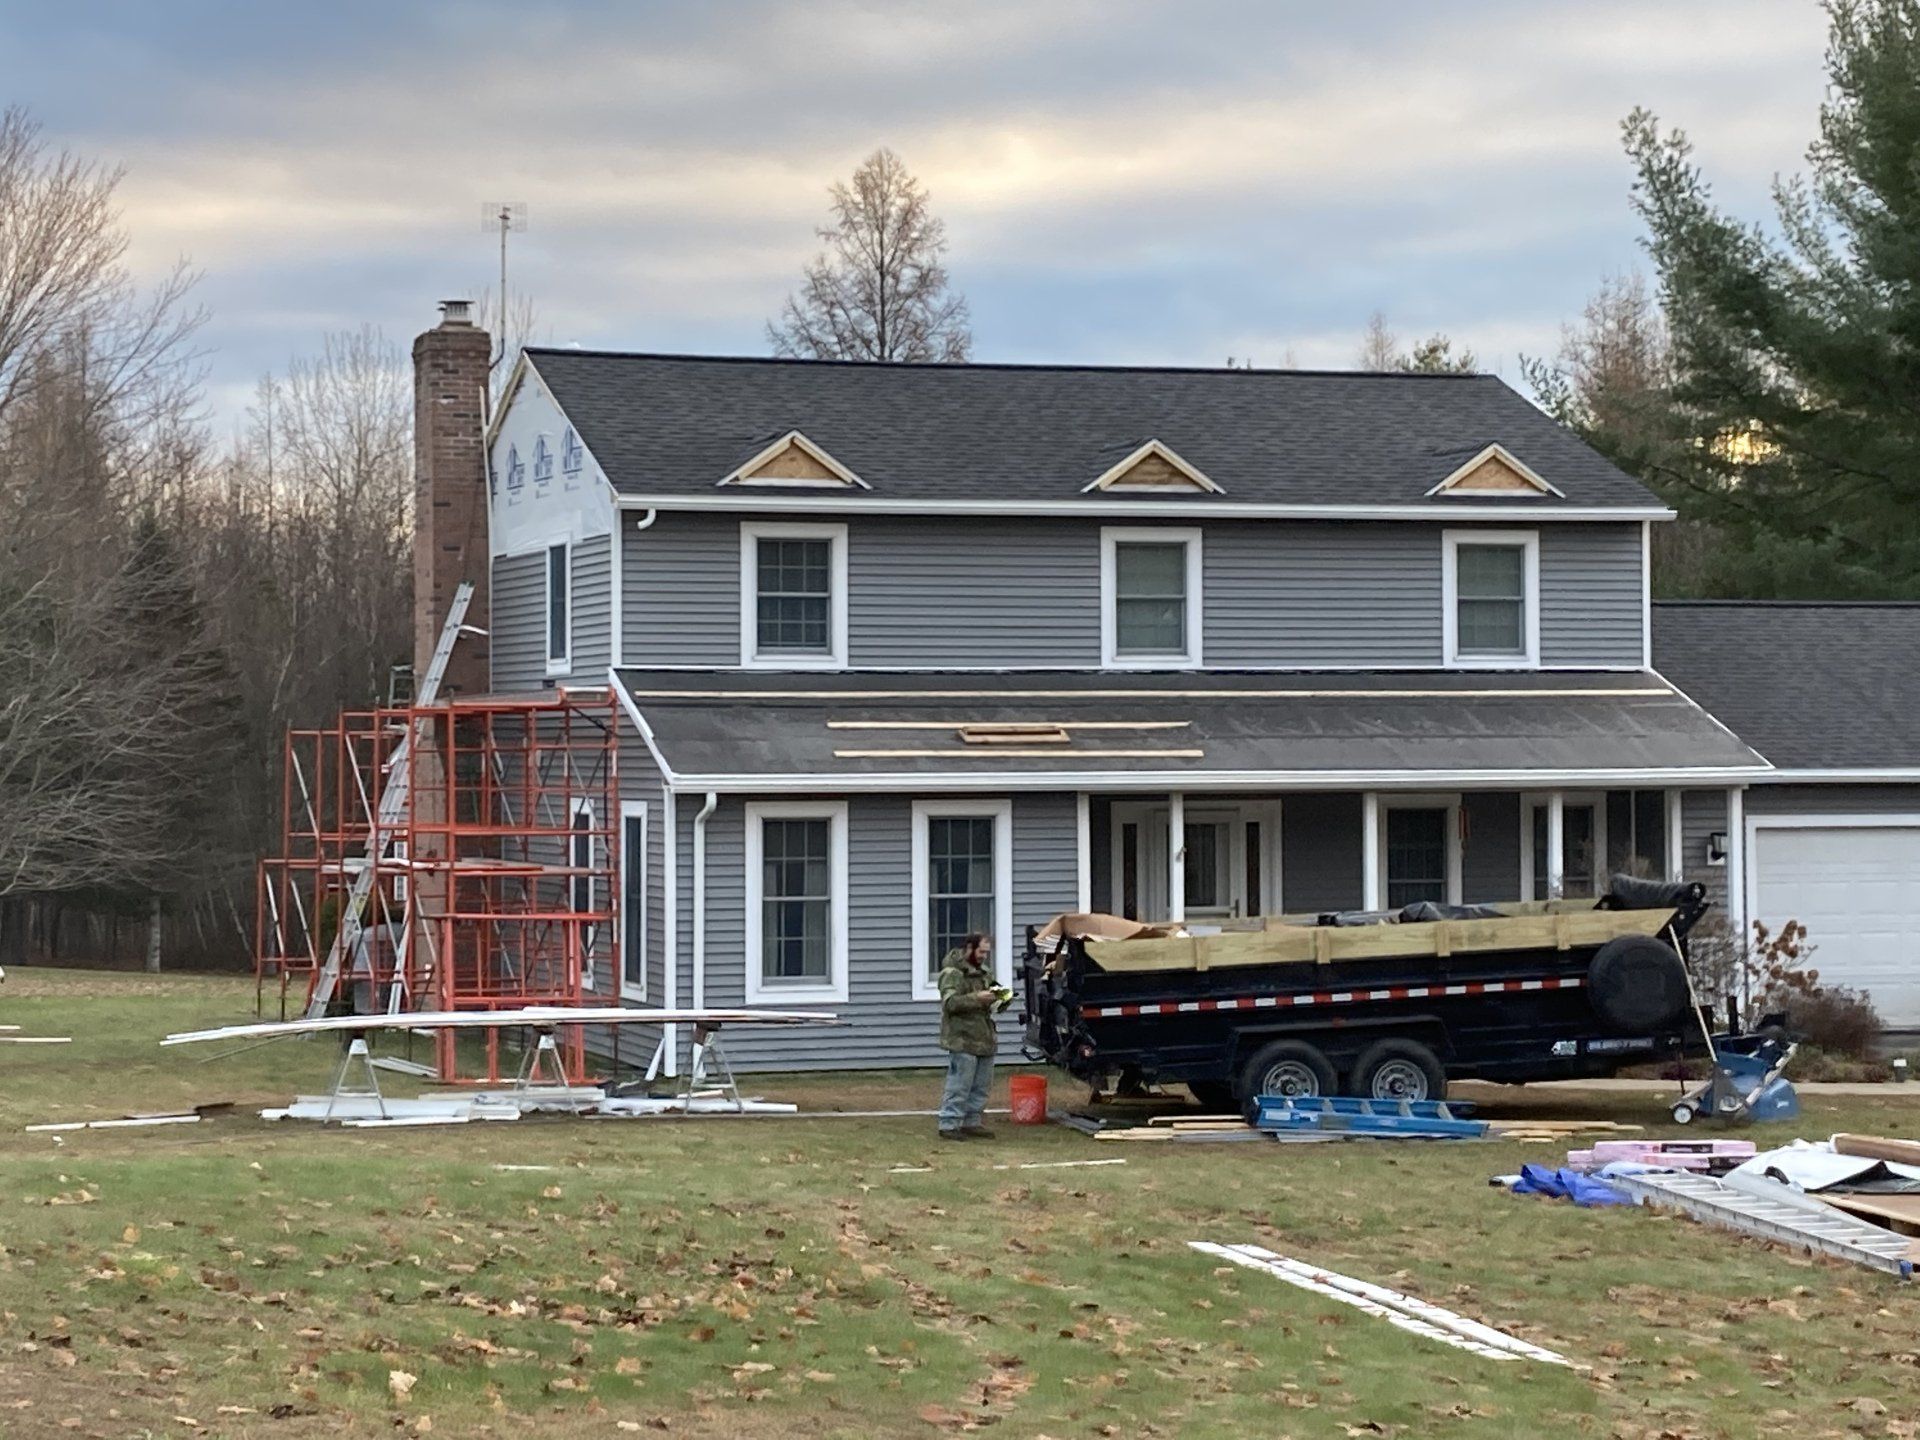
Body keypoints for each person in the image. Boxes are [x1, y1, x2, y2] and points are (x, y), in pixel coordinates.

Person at [936, 933, 1004, 1140]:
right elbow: (950, 1003)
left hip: (984, 1036)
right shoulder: (952, 973)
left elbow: (993, 999)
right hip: (962, 1038)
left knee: (981, 1086)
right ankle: (949, 1124)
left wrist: (1001, 999)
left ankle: (972, 1122)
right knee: (959, 1085)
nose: (984, 956)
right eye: (981, 951)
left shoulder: (985, 973)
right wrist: (977, 998)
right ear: (969, 948)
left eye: (987, 953)